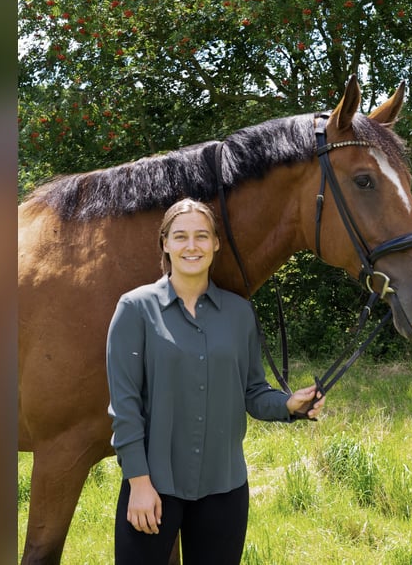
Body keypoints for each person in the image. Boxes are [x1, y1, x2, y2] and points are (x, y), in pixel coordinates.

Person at [106, 198, 325, 564]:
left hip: (224, 490)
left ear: (216, 244)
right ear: (165, 243)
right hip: (152, 488)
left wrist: (289, 405)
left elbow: (253, 392)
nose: (191, 246)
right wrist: (139, 483)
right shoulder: (135, 309)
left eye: (201, 236)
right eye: (180, 236)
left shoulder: (239, 313)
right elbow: (124, 407)